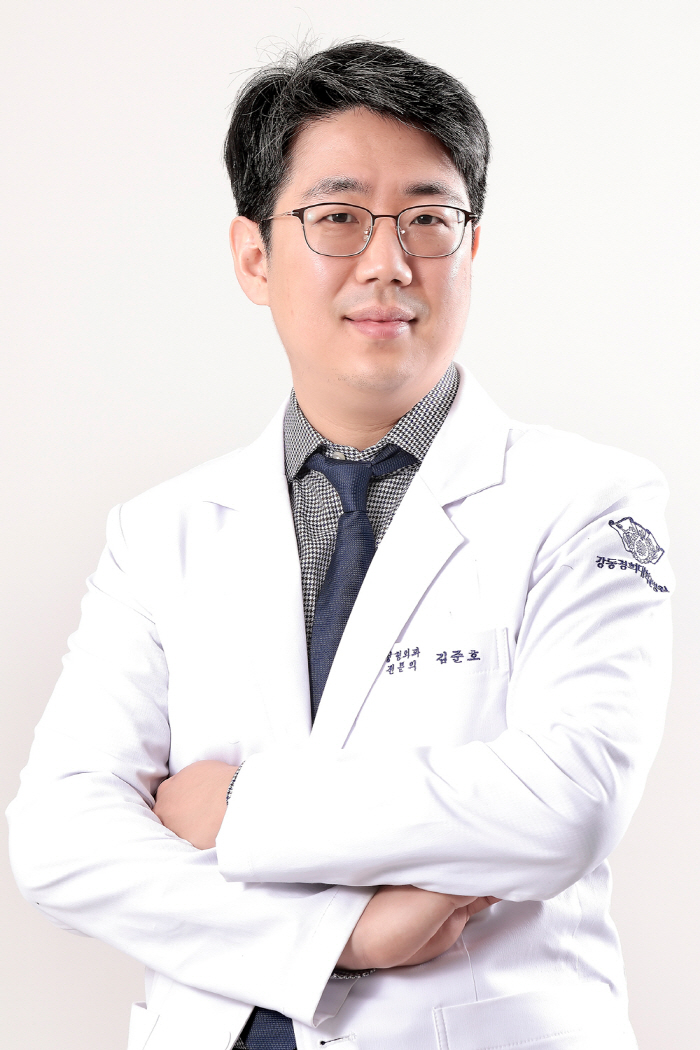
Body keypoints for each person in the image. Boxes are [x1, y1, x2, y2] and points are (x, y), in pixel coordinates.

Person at [6, 41, 673, 1050]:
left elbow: (566, 802)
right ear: (253, 256)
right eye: (337, 217)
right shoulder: (162, 532)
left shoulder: (589, 502)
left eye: (428, 219)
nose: (388, 263)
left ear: (473, 249)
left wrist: (238, 805)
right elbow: (62, 840)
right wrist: (337, 938)